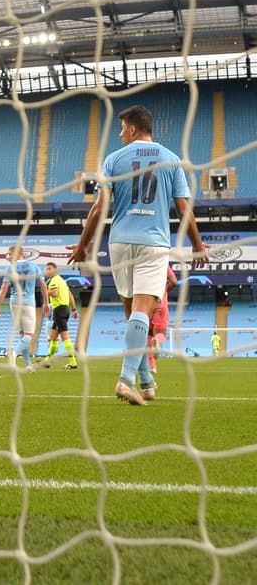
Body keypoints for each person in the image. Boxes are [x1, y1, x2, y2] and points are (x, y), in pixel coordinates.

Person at [69, 105, 207, 405]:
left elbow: (99, 208)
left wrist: (83, 245)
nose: (120, 135)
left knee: (133, 316)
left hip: (119, 242)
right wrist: (197, 244)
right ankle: (125, 380)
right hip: (153, 243)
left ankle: (146, 382)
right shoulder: (171, 159)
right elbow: (184, 208)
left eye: (122, 129)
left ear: (133, 129)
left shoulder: (113, 160)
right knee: (142, 312)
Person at [0, 246, 48, 372]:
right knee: (29, 335)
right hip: (28, 302)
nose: (8, 257)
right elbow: (43, 286)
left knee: (23, 335)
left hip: (14, 302)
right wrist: (46, 303)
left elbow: (4, 288)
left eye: (10, 254)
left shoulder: (9, 268)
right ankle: (13, 353)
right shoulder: (34, 266)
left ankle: (29, 365)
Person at [40, 262, 79, 369]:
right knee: (53, 337)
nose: (47, 270)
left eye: (49, 268)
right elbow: (70, 294)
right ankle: (47, 361)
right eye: (46, 269)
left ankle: (73, 362)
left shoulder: (54, 281)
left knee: (65, 337)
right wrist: (74, 309)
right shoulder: (62, 281)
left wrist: (45, 290)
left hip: (59, 310)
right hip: (65, 309)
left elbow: (55, 293)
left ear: (55, 270)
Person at [147, 264, 176, 373]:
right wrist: (166, 291)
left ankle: (152, 366)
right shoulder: (163, 263)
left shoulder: (144, 263)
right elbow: (174, 281)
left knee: (148, 336)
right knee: (160, 334)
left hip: (146, 305)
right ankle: (157, 340)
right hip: (161, 304)